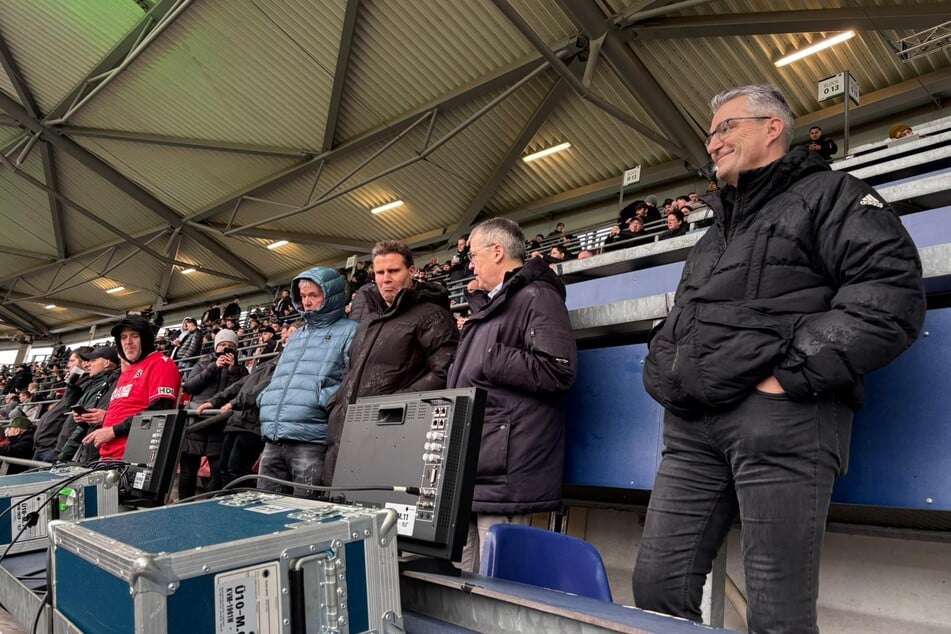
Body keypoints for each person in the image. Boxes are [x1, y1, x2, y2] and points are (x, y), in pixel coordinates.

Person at [635, 84, 926, 633]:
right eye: (711, 131)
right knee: (656, 587)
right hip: (694, 426)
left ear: (773, 127)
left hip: (782, 419)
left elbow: (891, 297)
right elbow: (686, 318)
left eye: (727, 127)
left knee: (776, 616)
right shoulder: (714, 232)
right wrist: (666, 369)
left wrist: (786, 377)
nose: (713, 141)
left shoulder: (832, 194)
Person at [446, 218, 577, 572]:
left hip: (503, 468)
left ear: (498, 251)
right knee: (465, 578)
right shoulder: (489, 306)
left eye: (473, 255)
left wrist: (493, 357)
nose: (470, 264)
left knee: (499, 579)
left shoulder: (538, 296)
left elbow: (558, 369)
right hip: (476, 461)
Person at [324, 241, 458, 482]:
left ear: (412, 271)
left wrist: (394, 404)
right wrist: (335, 405)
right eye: (380, 272)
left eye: (393, 271)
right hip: (344, 436)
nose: (386, 278)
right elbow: (352, 372)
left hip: (392, 437)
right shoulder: (369, 322)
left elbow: (446, 369)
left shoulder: (432, 315)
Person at [256, 267, 357, 497]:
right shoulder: (297, 335)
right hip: (274, 436)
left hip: (311, 439)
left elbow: (351, 379)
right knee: (263, 512)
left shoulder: (351, 330)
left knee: (307, 515)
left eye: (313, 295)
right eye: (303, 296)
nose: (307, 302)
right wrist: (267, 397)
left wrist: (320, 399)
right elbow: (280, 376)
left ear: (330, 295)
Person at [195, 320, 301, 488]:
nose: (285, 335)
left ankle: (239, 508)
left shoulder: (290, 363)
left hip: (253, 423)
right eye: (286, 332)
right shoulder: (273, 360)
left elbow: (264, 386)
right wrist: (214, 400)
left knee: (237, 470)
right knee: (224, 469)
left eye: (291, 332)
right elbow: (244, 382)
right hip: (238, 419)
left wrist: (235, 403)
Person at [82, 315, 182, 460]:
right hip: (108, 457)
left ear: (145, 338)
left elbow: (160, 409)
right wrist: (106, 417)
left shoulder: (161, 363)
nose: (128, 342)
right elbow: (128, 408)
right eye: (123, 337)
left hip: (134, 458)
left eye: (134, 336)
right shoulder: (128, 371)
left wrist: (114, 431)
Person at [178, 329, 248, 499]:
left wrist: (231, 371)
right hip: (195, 423)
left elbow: (238, 394)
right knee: (188, 473)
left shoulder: (241, 371)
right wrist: (213, 367)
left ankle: (208, 502)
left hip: (220, 425)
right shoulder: (203, 364)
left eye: (230, 346)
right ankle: (184, 504)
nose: (226, 349)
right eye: (223, 345)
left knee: (218, 472)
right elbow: (190, 386)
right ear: (216, 347)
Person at [55, 346, 122, 463]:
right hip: (84, 448)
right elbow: (72, 407)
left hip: (95, 451)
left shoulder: (115, 383)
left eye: (93, 360)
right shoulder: (94, 384)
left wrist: (64, 456)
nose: (88, 364)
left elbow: (90, 423)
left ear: (106, 363)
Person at [31, 347, 92, 462]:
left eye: (72, 361)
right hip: (43, 446)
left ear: (84, 362)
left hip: (53, 448)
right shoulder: (75, 385)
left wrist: (57, 446)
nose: (68, 365)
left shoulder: (87, 386)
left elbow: (72, 417)